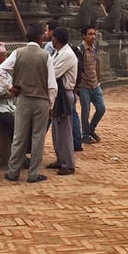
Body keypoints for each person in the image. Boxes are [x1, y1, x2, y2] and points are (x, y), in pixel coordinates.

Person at [0, 23, 57, 183]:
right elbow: (52, 85)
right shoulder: (46, 56)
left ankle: (13, 172)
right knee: (38, 137)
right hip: (41, 100)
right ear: (39, 38)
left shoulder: (18, 53)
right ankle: (33, 174)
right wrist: (51, 105)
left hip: (23, 99)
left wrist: (10, 86)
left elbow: (1, 70)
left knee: (19, 136)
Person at [47, 27, 77, 175]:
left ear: (56, 39)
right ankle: (60, 159)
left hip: (65, 93)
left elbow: (53, 73)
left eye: (52, 37)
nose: (50, 39)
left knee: (64, 130)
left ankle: (68, 164)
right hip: (58, 93)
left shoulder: (67, 55)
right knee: (56, 129)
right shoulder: (58, 53)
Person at [77, 27, 106, 144]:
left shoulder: (95, 48)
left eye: (94, 34)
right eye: (90, 34)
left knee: (101, 108)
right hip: (84, 85)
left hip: (95, 84)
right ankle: (85, 134)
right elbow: (77, 67)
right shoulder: (80, 49)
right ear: (84, 36)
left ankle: (91, 129)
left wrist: (98, 79)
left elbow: (96, 64)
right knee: (85, 111)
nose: (93, 36)